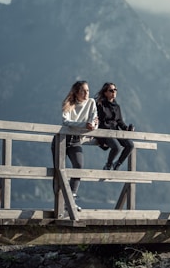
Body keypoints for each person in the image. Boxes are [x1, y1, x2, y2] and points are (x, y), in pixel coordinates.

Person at [52, 80, 98, 211]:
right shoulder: (68, 103)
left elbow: (94, 120)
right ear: (77, 92)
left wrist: (93, 126)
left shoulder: (91, 102)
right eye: (83, 90)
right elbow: (66, 122)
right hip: (62, 140)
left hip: (76, 140)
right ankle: (59, 205)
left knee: (78, 167)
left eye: (88, 90)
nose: (86, 93)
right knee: (58, 171)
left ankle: (70, 202)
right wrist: (85, 125)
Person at [95, 82, 134, 170]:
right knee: (117, 147)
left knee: (130, 145)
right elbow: (98, 121)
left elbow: (119, 121)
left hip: (116, 131)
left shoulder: (117, 106)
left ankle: (118, 163)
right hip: (105, 132)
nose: (114, 92)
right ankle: (108, 165)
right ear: (105, 93)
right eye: (111, 90)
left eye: (115, 90)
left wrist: (126, 128)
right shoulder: (100, 105)